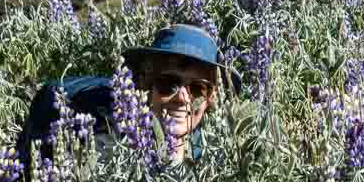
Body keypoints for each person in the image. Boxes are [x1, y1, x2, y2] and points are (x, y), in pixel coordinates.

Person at [16, 23, 240, 168]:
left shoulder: (214, 152)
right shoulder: (106, 141)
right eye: (168, 84)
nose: (183, 98)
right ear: (144, 84)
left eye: (197, 89)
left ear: (212, 97)